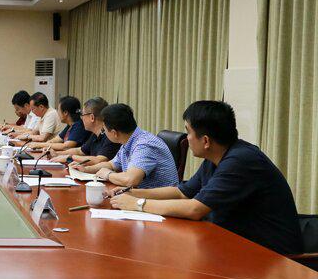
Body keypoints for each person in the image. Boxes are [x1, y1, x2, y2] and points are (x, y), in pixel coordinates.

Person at [108, 101, 303, 255]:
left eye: (188, 131)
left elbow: (195, 209)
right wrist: (133, 193)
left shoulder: (241, 160)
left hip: (271, 256)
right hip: (234, 244)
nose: (186, 138)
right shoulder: (216, 156)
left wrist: (137, 204)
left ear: (206, 141)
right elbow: (182, 192)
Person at [76, 103, 178, 188]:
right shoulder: (129, 140)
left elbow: (131, 180)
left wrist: (108, 174)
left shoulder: (144, 145)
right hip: (141, 197)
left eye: (104, 129)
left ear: (114, 133)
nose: (103, 132)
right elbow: (112, 165)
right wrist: (86, 169)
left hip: (160, 202)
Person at [51, 97, 121, 166]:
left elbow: (99, 160)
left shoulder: (110, 135)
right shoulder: (95, 134)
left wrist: (70, 157)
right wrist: (57, 154)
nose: (81, 118)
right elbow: (80, 151)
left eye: (83, 115)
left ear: (92, 117)